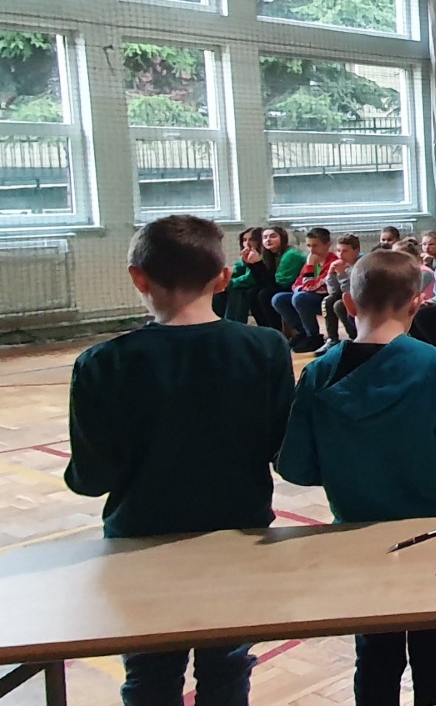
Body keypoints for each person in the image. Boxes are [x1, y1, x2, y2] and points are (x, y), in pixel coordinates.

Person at [65, 216, 293, 706]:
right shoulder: (265, 348)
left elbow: (91, 478)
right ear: (224, 278)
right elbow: (281, 448)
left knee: (149, 675)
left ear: (138, 278)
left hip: (140, 540)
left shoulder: (102, 363)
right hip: (238, 533)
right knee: (227, 668)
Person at [276, 248, 436, 706]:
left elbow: (294, 466)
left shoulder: (317, 373)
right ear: (416, 304)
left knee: (374, 650)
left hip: (356, 531)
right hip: (435, 529)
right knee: (435, 646)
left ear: (348, 304)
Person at [272, 227, 338, 353]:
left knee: (300, 297)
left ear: (327, 245)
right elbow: (296, 284)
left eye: (315, 245)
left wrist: (310, 267)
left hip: (325, 299)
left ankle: (313, 336)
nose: (311, 250)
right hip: (308, 297)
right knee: (278, 299)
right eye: (308, 246)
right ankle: (302, 332)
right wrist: (303, 287)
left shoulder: (332, 262)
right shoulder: (311, 260)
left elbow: (312, 286)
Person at [316, 234, 363, 354]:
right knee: (328, 300)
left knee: (340, 305)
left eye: (345, 251)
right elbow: (333, 291)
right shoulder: (341, 265)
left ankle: (355, 337)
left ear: (356, 251)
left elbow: (351, 292)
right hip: (346, 296)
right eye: (338, 250)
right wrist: (331, 274)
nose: (340, 255)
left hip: (362, 299)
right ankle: (332, 339)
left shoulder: (361, 266)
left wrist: (342, 275)